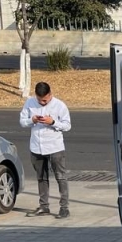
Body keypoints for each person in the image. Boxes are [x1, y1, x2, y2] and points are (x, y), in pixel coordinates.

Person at [19, 81, 73, 218]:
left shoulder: (59, 105)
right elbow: (22, 122)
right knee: (41, 178)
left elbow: (67, 125)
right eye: (39, 100)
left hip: (55, 146)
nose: (42, 103)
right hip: (36, 147)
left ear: (50, 94)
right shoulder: (30, 103)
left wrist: (53, 122)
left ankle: (64, 207)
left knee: (60, 177)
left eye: (45, 100)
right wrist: (32, 120)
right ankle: (44, 206)